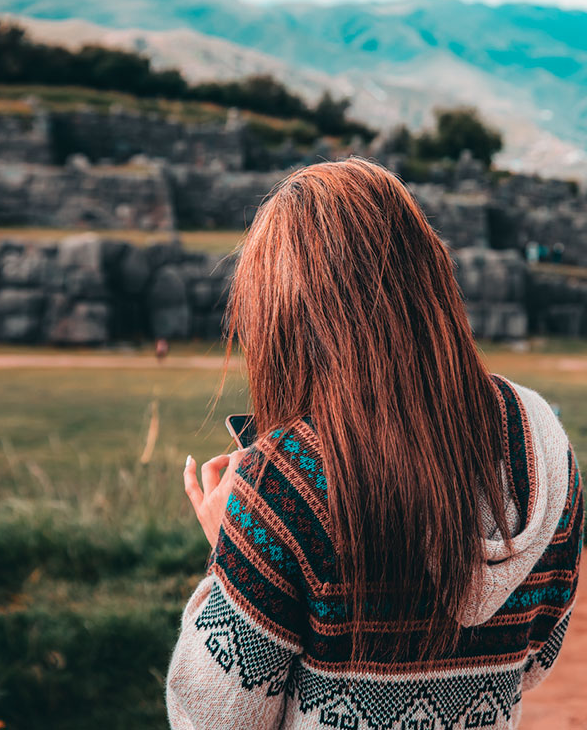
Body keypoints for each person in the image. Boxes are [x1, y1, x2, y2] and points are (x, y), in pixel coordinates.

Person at [165, 157, 583, 730]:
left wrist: (232, 555)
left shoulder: (285, 480)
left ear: (287, 312)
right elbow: (536, 658)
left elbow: (214, 718)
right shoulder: (542, 443)